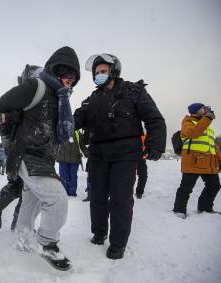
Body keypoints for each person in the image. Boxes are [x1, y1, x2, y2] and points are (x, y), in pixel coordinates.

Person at [74, 53, 166, 260]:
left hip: (125, 154)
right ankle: (98, 233)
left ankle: (118, 243)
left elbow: (154, 118)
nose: (99, 75)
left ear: (114, 71)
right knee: (97, 197)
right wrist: (63, 123)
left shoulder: (133, 91)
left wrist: (155, 144)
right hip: (97, 155)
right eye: (97, 72)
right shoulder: (91, 99)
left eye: (103, 71)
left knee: (120, 199)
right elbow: (76, 118)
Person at [0, 46, 80, 271]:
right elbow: (1, 105)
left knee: (31, 204)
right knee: (57, 199)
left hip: (44, 159)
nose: (70, 81)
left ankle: (23, 241)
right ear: (56, 70)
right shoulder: (37, 86)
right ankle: (47, 243)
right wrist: (8, 136)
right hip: (27, 154)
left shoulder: (62, 99)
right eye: (67, 75)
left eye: (74, 78)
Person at [0, 64, 42, 232]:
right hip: (16, 151)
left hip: (36, 153)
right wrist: (11, 121)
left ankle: (19, 226)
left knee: (30, 191)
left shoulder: (42, 100)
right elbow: (0, 120)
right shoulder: (16, 99)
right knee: (15, 188)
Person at [172, 103, 220, 219]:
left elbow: (212, 146)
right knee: (186, 187)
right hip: (193, 161)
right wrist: (207, 118)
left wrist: (219, 158)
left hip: (208, 163)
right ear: (196, 110)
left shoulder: (207, 127)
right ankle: (179, 210)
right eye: (203, 108)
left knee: (214, 186)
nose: (206, 110)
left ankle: (205, 207)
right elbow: (193, 133)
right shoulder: (187, 122)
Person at [56, 130, 88, 197]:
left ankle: (72, 193)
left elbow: (81, 145)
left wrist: (87, 153)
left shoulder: (77, 132)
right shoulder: (60, 130)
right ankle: (64, 192)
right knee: (63, 176)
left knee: (73, 176)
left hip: (74, 159)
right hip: (63, 159)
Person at [135, 134, 148, 199]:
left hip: (141, 158)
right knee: (127, 176)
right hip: (129, 158)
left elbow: (148, 145)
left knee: (144, 175)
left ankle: (139, 192)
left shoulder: (144, 136)